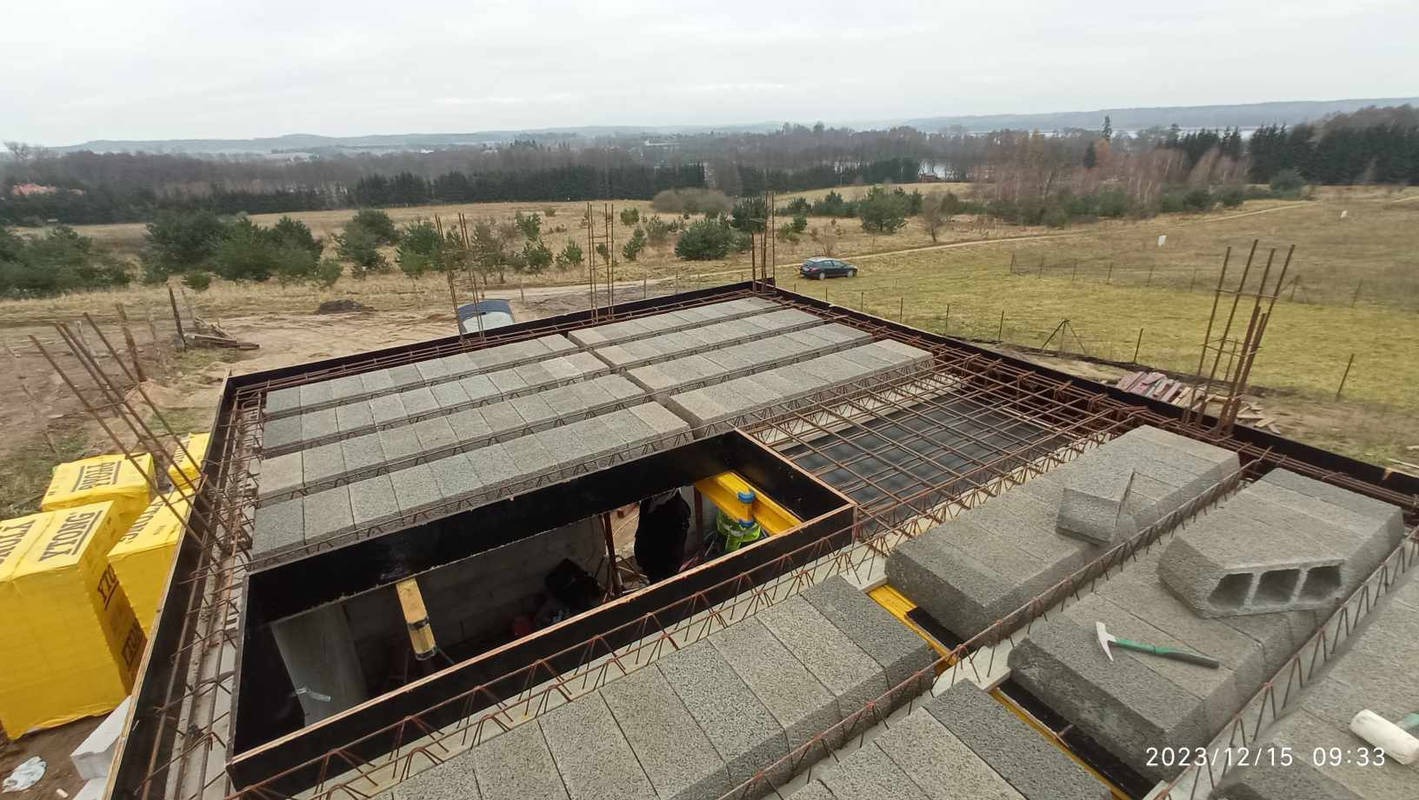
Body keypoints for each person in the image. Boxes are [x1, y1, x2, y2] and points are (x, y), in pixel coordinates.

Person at [634, 490, 691, 583]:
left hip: (665, 564)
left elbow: (675, 549)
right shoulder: (648, 503)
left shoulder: (677, 511)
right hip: (653, 562)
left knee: (666, 580)